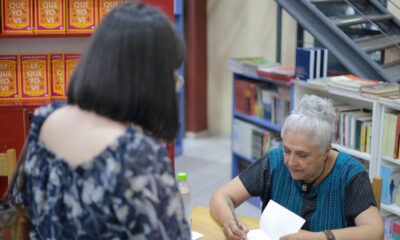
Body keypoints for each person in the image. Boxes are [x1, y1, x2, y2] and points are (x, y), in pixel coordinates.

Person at [11, 2, 190, 239]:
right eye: (172, 75)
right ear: (149, 79)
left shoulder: (46, 119)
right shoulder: (139, 157)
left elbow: (21, 204)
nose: (176, 83)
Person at [210, 94, 384, 240]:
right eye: (287, 150)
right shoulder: (275, 161)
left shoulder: (349, 174)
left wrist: (319, 238)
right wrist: (229, 221)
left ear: (325, 151)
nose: (291, 162)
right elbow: (221, 196)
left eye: (302, 155)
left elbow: (375, 231)